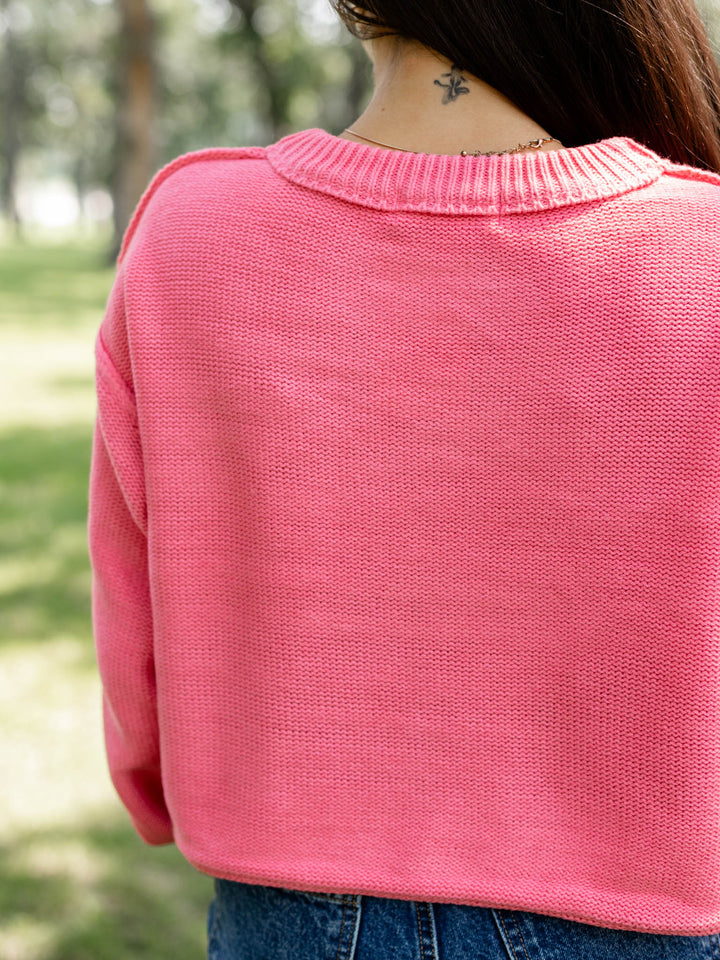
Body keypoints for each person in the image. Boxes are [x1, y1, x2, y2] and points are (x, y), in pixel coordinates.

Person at [86, 0, 720, 957]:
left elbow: (131, 618)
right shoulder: (704, 260)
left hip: (286, 902)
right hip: (645, 908)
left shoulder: (188, 238)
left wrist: (154, 790)